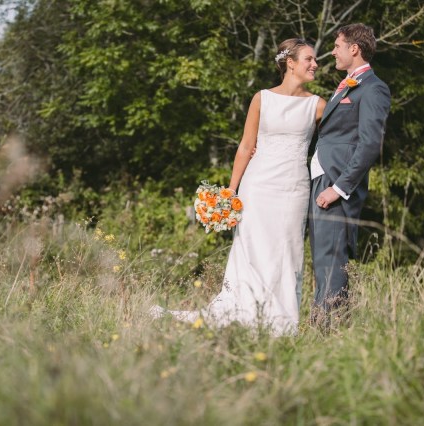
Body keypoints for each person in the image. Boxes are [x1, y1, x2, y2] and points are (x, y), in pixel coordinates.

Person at [151, 39, 326, 336]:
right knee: (251, 248)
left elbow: (336, 142)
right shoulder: (262, 98)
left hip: (293, 188)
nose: (315, 64)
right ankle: (245, 315)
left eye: (315, 59)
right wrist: (231, 191)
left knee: (287, 249)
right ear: (290, 63)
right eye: (309, 59)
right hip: (257, 186)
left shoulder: (318, 105)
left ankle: (281, 323)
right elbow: (246, 145)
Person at [308, 23, 391, 319]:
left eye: (337, 46)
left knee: (332, 258)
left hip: (336, 183)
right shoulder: (347, 84)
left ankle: (329, 327)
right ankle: (323, 325)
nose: (332, 52)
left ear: (354, 48)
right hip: (323, 177)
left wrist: (339, 188)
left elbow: (370, 144)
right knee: (323, 258)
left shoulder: (373, 88)